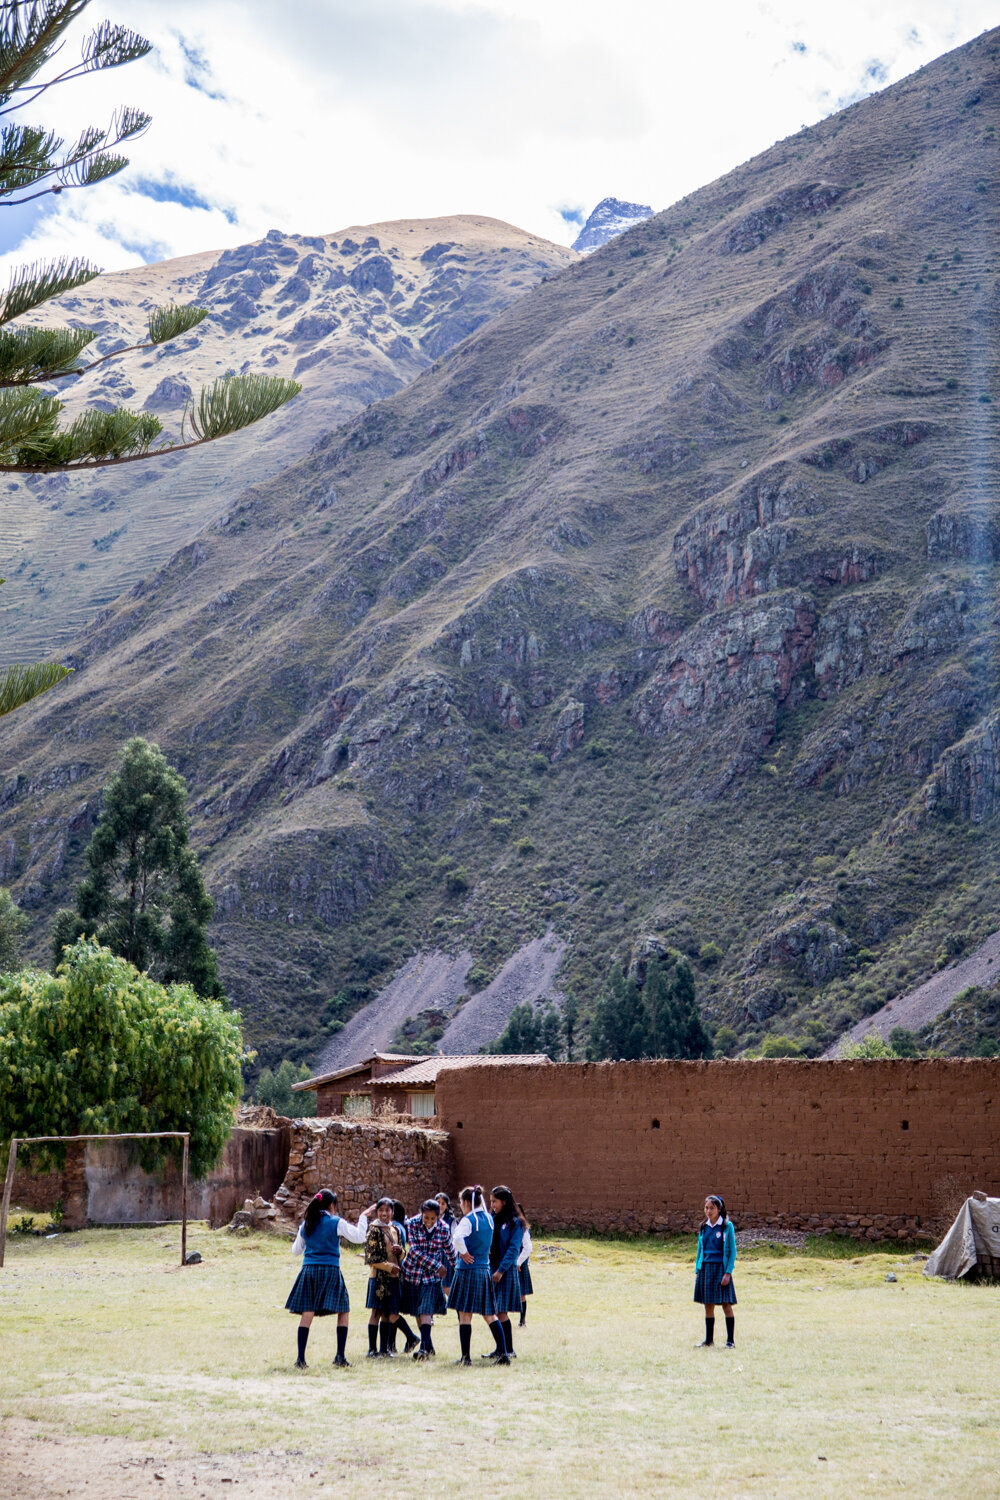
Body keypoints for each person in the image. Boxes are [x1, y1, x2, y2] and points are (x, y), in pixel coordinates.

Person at [286, 1189, 369, 1368]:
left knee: (308, 1311)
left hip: (309, 1270)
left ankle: (300, 1359)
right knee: (343, 1310)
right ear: (332, 1205)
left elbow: (295, 1251)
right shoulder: (336, 1222)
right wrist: (363, 1217)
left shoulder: (306, 1224)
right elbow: (359, 1237)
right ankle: (340, 1356)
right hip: (330, 1269)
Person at [447, 1185, 509, 1366]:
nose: (460, 1206)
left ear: (467, 1202)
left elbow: (457, 1238)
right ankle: (503, 1354)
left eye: (461, 1203)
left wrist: (464, 1253)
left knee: (465, 1315)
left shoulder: (469, 1220)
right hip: (484, 1269)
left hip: (468, 1270)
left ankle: (466, 1358)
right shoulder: (489, 1219)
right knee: (490, 1314)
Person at [401, 1198, 456, 1360]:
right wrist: (436, 1265)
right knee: (418, 1312)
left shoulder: (444, 1229)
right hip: (413, 1274)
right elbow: (415, 1251)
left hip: (431, 1278)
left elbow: (450, 1250)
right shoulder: (412, 1224)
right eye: (427, 1218)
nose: (430, 1222)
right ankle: (429, 1344)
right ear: (421, 1214)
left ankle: (424, 1349)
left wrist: (458, 1268)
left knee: (426, 1310)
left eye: (433, 1218)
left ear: (439, 1217)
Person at [484, 1185, 524, 1359]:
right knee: (493, 1310)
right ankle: (500, 1348)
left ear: (504, 1201)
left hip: (504, 1270)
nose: (492, 1204)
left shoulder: (516, 1222)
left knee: (501, 1311)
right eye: (491, 1201)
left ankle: (508, 1349)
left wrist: (500, 1270)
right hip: (491, 1267)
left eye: (495, 1201)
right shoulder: (492, 1218)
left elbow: (514, 1249)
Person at [694, 1194, 737, 1349]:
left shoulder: (727, 1226)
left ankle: (730, 1341)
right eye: (706, 1208)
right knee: (708, 1305)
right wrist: (698, 1269)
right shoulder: (703, 1227)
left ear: (719, 1209)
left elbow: (732, 1251)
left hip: (721, 1268)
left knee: (726, 1304)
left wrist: (728, 1272)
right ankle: (708, 1340)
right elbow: (700, 1249)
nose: (708, 1211)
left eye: (712, 1208)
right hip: (706, 1268)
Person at [365, 1198, 403, 1357]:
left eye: (387, 1210)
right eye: (381, 1210)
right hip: (379, 1278)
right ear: (377, 1212)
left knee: (387, 1313)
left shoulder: (395, 1230)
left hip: (393, 1278)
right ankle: (372, 1349)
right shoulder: (374, 1230)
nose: (384, 1213)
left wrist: (399, 1252)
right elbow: (370, 1258)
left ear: (392, 1212)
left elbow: (403, 1254)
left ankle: (384, 1349)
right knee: (376, 1313)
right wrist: (389, 1267)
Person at [390, 1200, 419, 1353]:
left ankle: (410, 1337)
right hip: (398, 1269)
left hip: (393, 1269)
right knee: (391, 1309)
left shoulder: (395, 1227)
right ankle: (391, 1345)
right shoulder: (401, 1226)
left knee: (391, 1310)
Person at [516, 1202, 533, 1327]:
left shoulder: (523, 1229)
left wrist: (519, 1262)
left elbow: (527, 1248)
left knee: (521, 1294)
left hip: (519, 1265)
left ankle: (522, 1320)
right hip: (509, 1264)